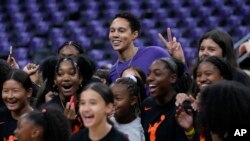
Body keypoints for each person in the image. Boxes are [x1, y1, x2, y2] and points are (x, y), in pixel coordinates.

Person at [108, 12, 182, 82]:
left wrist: (180, 61)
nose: (115, 35)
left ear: (134, 34)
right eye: (112, 31)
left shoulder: (155, 53)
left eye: (121, 31)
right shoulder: (112, 72)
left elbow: (180, 82)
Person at [175, 56, 234, 141]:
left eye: (208, 74)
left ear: (223, 77)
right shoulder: (193, 108)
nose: (202, 79)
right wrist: (190, 130)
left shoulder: (236, 105)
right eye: (198, 75)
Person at [44, 55, 95, 134]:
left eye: (72, 73)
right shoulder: (47, 111)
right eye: (60, 74)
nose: (66, 78)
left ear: (80, 79)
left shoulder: (90, 108)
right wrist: (67, 125)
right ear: (55, 80)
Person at [141, 57, 189, 141]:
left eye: (157, 74)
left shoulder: (182, 108)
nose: (149, 78)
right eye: (148, 74)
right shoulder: (146, 104)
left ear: (172, 78)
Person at [0, 70, 34, 141]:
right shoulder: (1, 116)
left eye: (15, 91)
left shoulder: (39, 121)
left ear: (28, 92)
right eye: (5, 91)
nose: (9, 96)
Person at [110, 77, 145, 141]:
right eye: (110, 98)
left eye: (118, 99)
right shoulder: (107, 122)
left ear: (133, 100)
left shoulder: (137, 129)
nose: (112, 103)